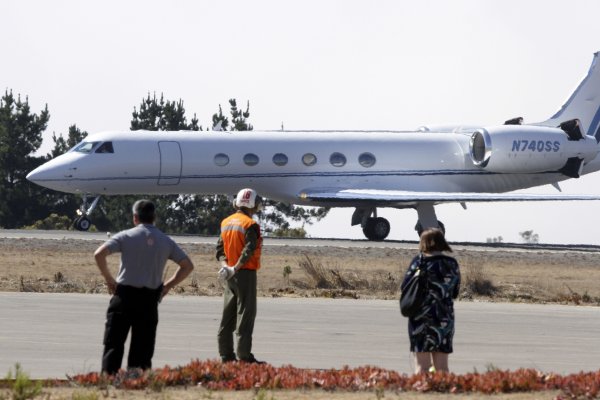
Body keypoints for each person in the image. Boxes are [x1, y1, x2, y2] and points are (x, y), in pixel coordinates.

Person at [94, 199, 194, 375]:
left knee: (114, 343)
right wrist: (168, 286)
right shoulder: (165, 241)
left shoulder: (125, 236)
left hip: (123, 296)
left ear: (135, 217)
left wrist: (109, 279)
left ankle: (108, 380)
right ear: (154, 217)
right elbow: (187, 266)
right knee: (143, 347)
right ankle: (136, 382)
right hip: (149, 300)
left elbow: (99, 254)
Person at [401, 228, 460, 374]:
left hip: (422, 318)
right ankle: (442, 391)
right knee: (442, 368)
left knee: (422, 366)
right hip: (444, 318)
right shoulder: (452, 264)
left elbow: (406, 286)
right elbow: (455, 292)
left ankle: (421, 391)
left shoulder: (419, 262)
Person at [216, 188, 265, 364]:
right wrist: (235, 268)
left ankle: (226, 355)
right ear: (252, 204)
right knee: (245, 315)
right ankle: (244, 356)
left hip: (229, 274)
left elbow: (220, 250)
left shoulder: (226, 222)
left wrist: (226, 268)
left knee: (227, 316)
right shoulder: (250, 225)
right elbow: (248, 250)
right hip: (245, 274)